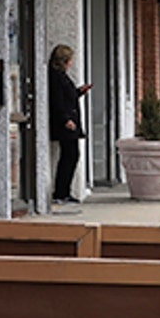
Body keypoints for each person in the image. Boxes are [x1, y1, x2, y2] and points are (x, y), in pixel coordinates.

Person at [48, 45, 90, 204]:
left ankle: (64, 191)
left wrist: (79, 91)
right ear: (64, 60)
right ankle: (60, 193)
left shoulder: (62, 76)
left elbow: (68, 97)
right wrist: (66, 119)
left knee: (71, 156)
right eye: (70, 59)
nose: (71, 62)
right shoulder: (57, 77)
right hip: (66, 123)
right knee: (69, 156)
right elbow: (57, 101)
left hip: (68, 120)